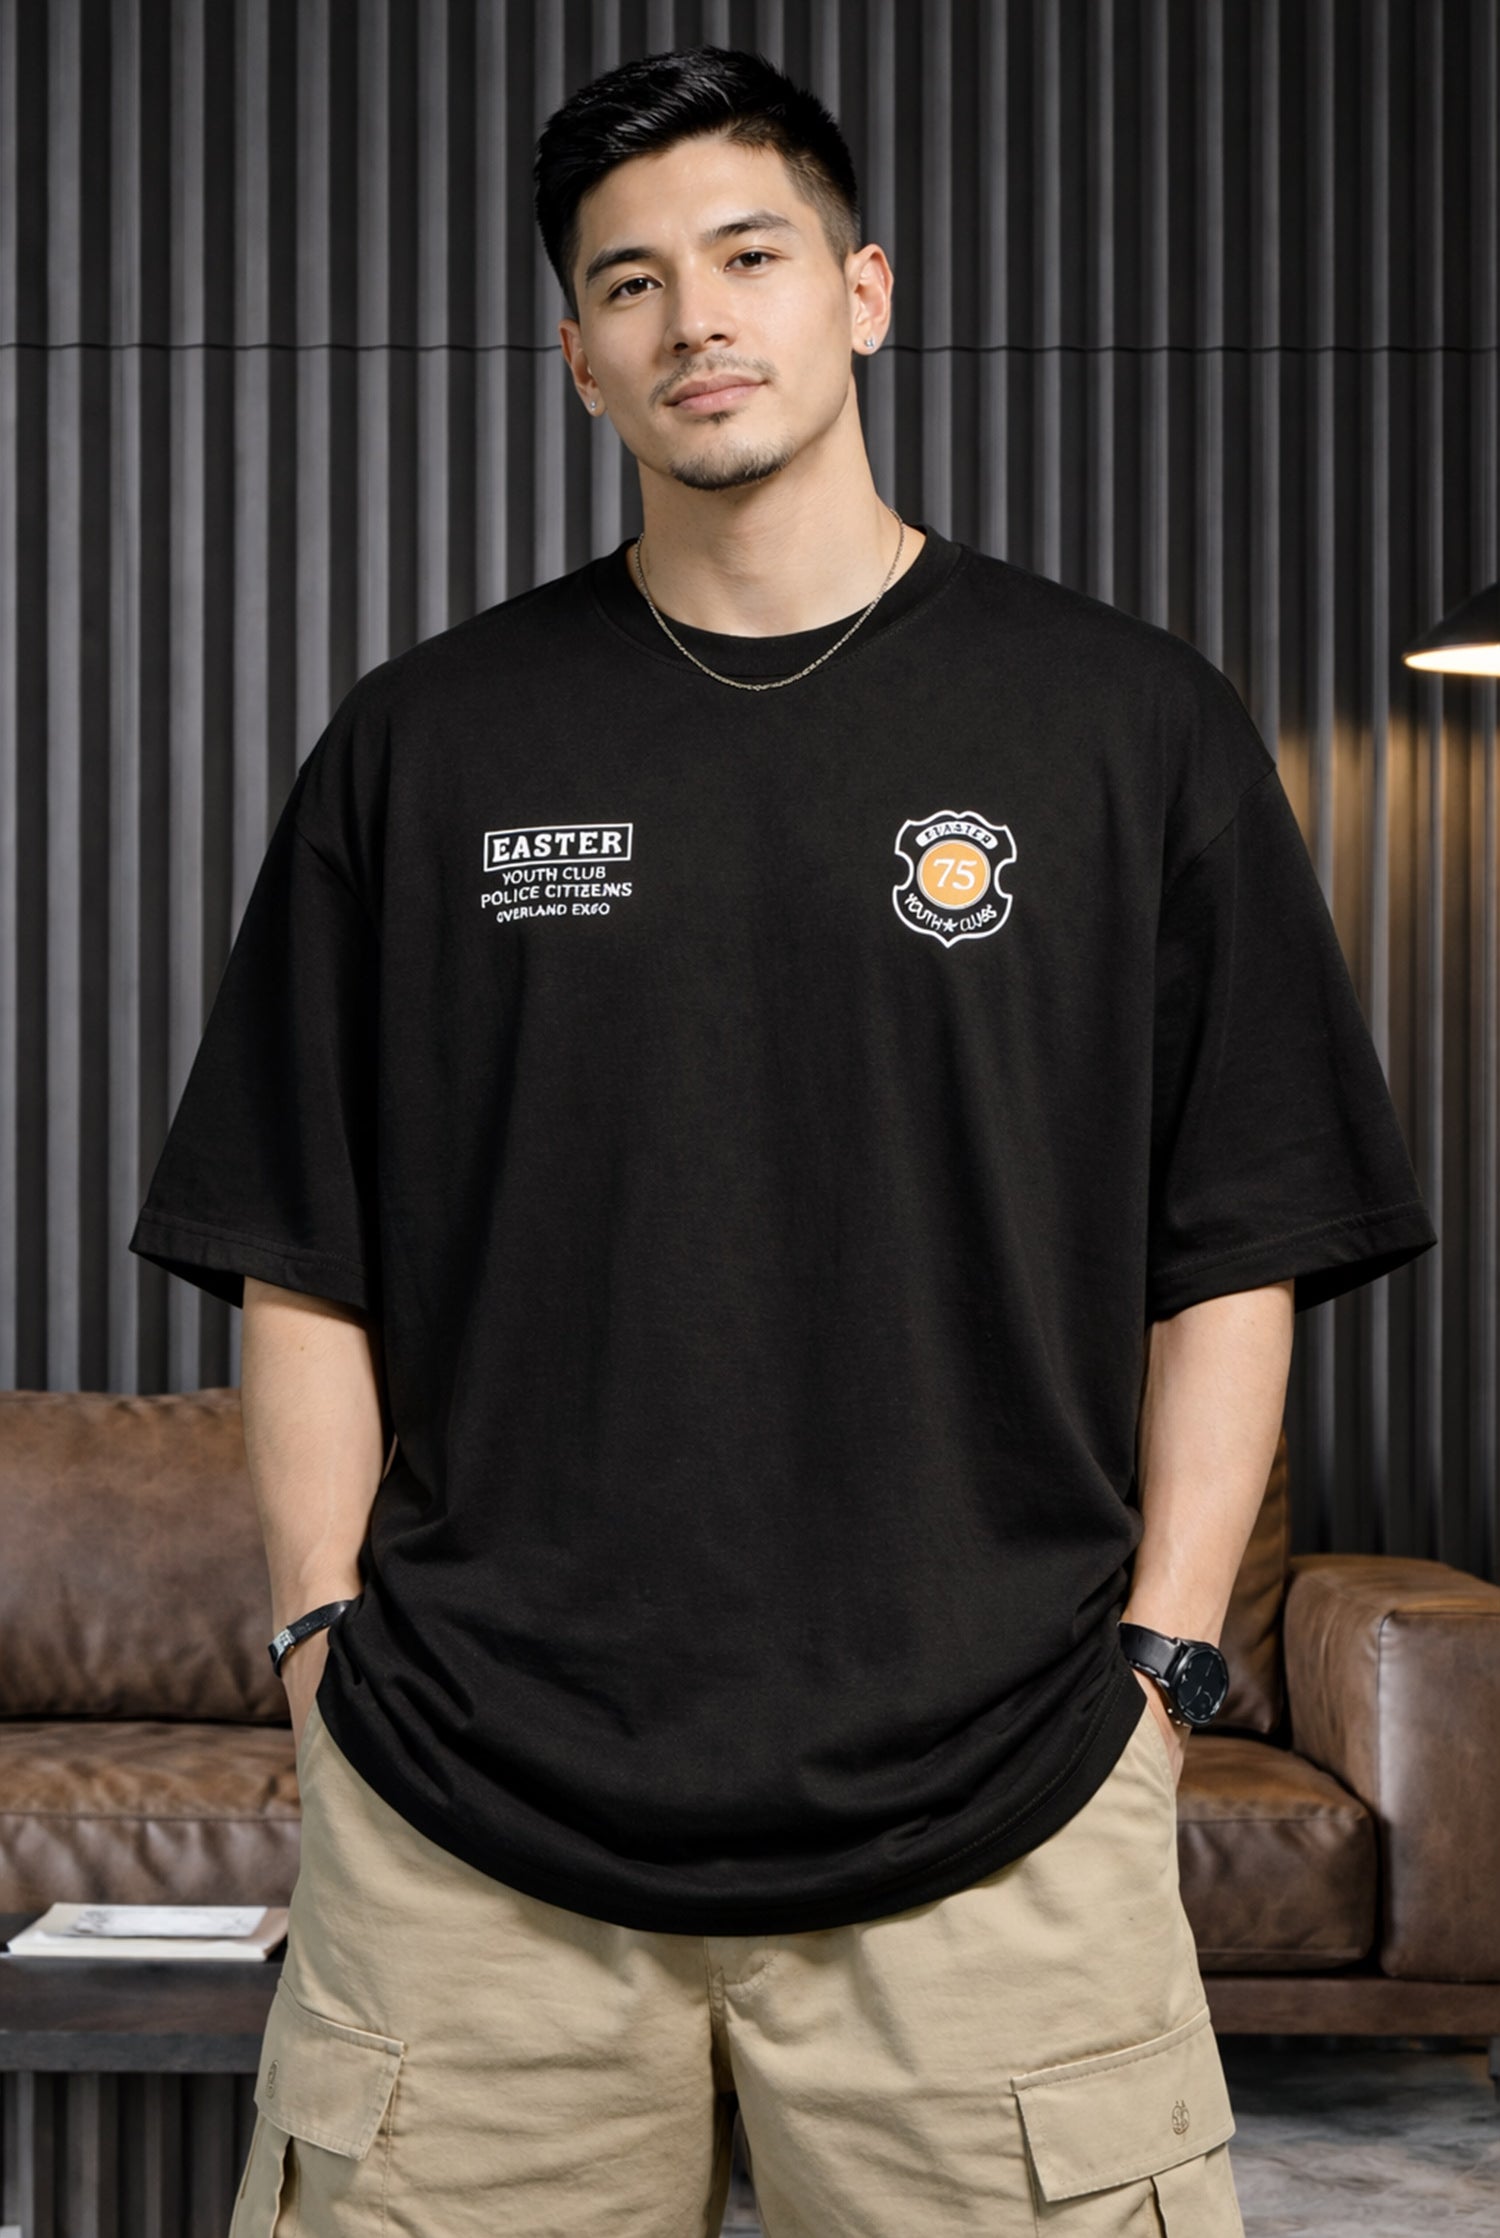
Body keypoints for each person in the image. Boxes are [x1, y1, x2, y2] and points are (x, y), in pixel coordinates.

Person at [130, 43, 1437, 2238]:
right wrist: (323, 1648)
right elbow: (297, 1251)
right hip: (473, 1839)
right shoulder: (428, 743)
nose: (695, 319)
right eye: (629, 283)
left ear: (865, 293)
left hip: (1005, 1823)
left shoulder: (1126, 726)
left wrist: (1167, 1671)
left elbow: (1237, 1245)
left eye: (748, 256)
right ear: (577, 357)